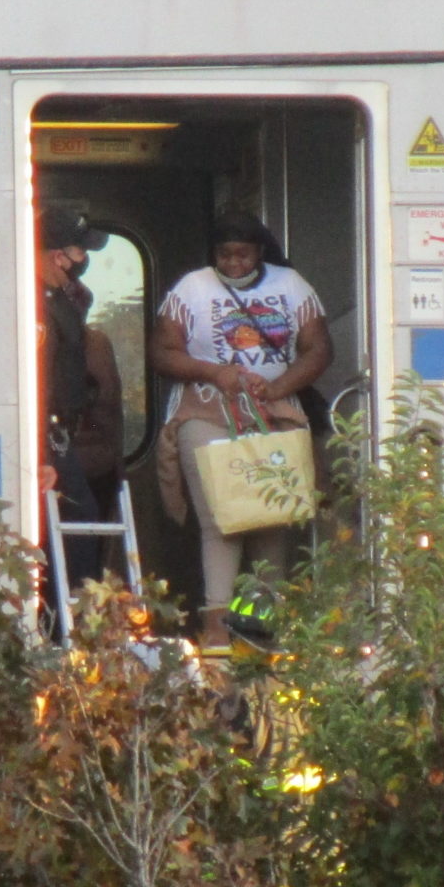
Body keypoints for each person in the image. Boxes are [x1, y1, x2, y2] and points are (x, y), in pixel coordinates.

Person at [150, 210, 333, 648]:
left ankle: (257, 624)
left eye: (243, 254)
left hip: (274, 408)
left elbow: (318, 349)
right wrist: (214, 372)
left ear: (260, 252)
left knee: (271, 517)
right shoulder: (191, 288)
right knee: (223, 516)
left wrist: (277, 388)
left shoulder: (292, 287)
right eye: (224, 254)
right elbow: (162, 351)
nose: (233, 263)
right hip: (207, 409)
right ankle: (216, 627)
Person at [37, 204, 112, 601]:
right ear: (57, 256)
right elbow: (36, 383)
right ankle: (77, 631)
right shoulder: (34, 305)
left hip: (59, 433)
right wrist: (40, 452)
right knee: (81, 525)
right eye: (81, 253)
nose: (84, 262)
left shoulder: (60, 299)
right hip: (47, 437)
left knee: (81, 523)